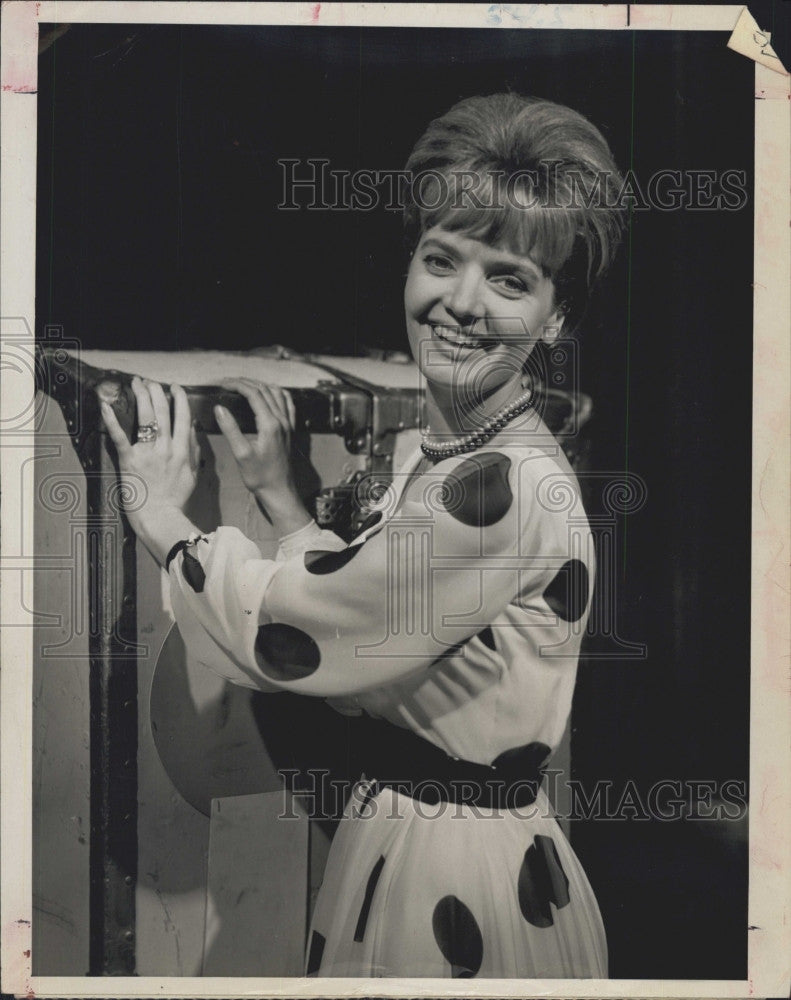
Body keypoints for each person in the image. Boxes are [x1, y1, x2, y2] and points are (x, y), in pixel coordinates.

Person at [102, 92, 624, 979]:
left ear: (555, 316)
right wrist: (282, 504)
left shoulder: (503, 485)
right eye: (440, 258)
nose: (458, 303)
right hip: (419, 838)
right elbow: (383, 619)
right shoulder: (457, 448)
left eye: (507, 279)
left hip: (453, 871)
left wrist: (160, 517)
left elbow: (317, 634)